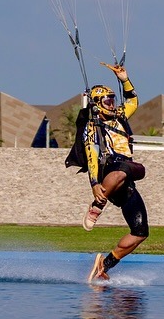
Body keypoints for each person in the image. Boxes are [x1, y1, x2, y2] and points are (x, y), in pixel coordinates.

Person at [64, 63, 149, 282]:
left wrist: (124, 79)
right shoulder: (92, 128)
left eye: (113, 99)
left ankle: (105, 265)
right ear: (97, 104)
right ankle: (96, 208)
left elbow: (133, 101)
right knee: (123, 171)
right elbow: (92, 156)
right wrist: (94, 185)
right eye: (107, 101)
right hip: (109, 170)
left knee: (140, 232)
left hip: (126, 176)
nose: (112, 104)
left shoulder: (120, 117)